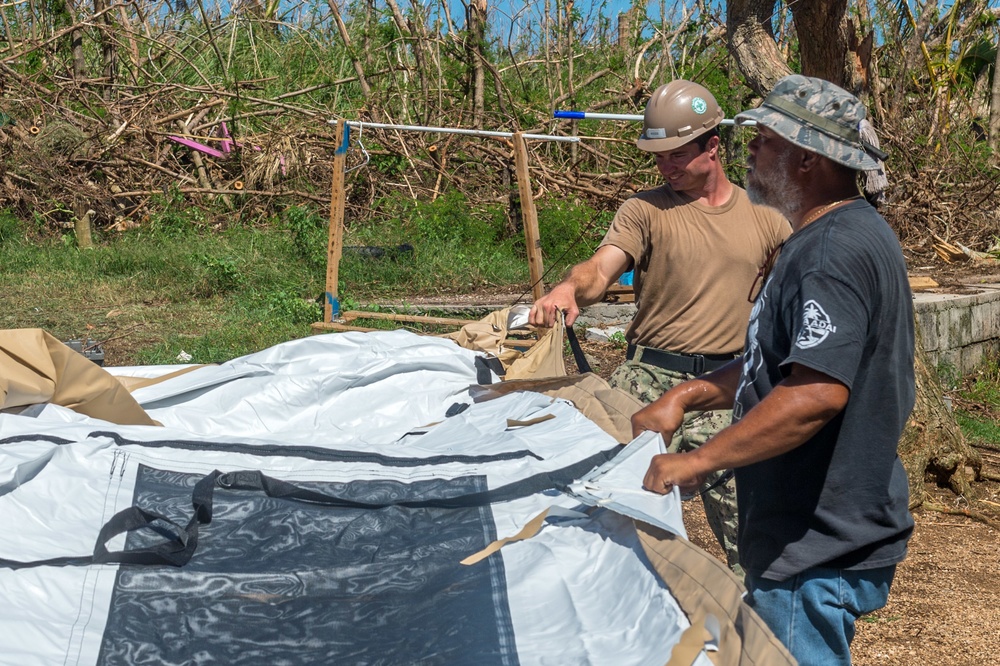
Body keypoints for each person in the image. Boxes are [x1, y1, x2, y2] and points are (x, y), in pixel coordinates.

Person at [632, 74, 915, 665]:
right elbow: (782, 363)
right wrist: (688, 394)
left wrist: (699, 457)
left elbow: (815, 393)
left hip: (813, 544)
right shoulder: (833, 235)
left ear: (807, 159)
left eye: (764, 140)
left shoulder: (832, 252)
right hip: (814, 533)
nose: (751, 152)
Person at [529, 80, 790, 575]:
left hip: (726, 388)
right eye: (658, 156)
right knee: (610, 518)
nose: (665, 166)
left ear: (713, 146)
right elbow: (602, 268)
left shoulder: (768, 215)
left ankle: (750, 637)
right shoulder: (644, 209)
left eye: (676, 154)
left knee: (753, 536)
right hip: (646, 384)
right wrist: (569, 289)